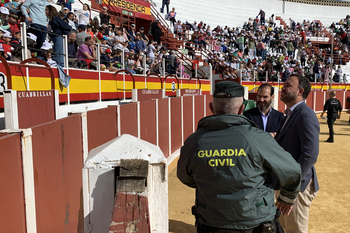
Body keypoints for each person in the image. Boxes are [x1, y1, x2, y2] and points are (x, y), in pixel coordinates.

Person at [177, 81, 301, 232]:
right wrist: (287, 198)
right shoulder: (258, 138)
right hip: (255, 222)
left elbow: (184, 176)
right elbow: (292, 171)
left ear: (211, 107)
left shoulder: (194, 141)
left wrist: (211, 182)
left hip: (211, 222)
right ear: (242, 109)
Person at [275, 74, 320, 233]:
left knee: (295, 230)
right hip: (286, 181)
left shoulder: (305, 114)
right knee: (283, 226)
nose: (283, 87)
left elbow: (310, 154)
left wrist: (291, 188)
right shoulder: (291, 114)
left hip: (297, 186)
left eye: (288, 85)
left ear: (300, 91)